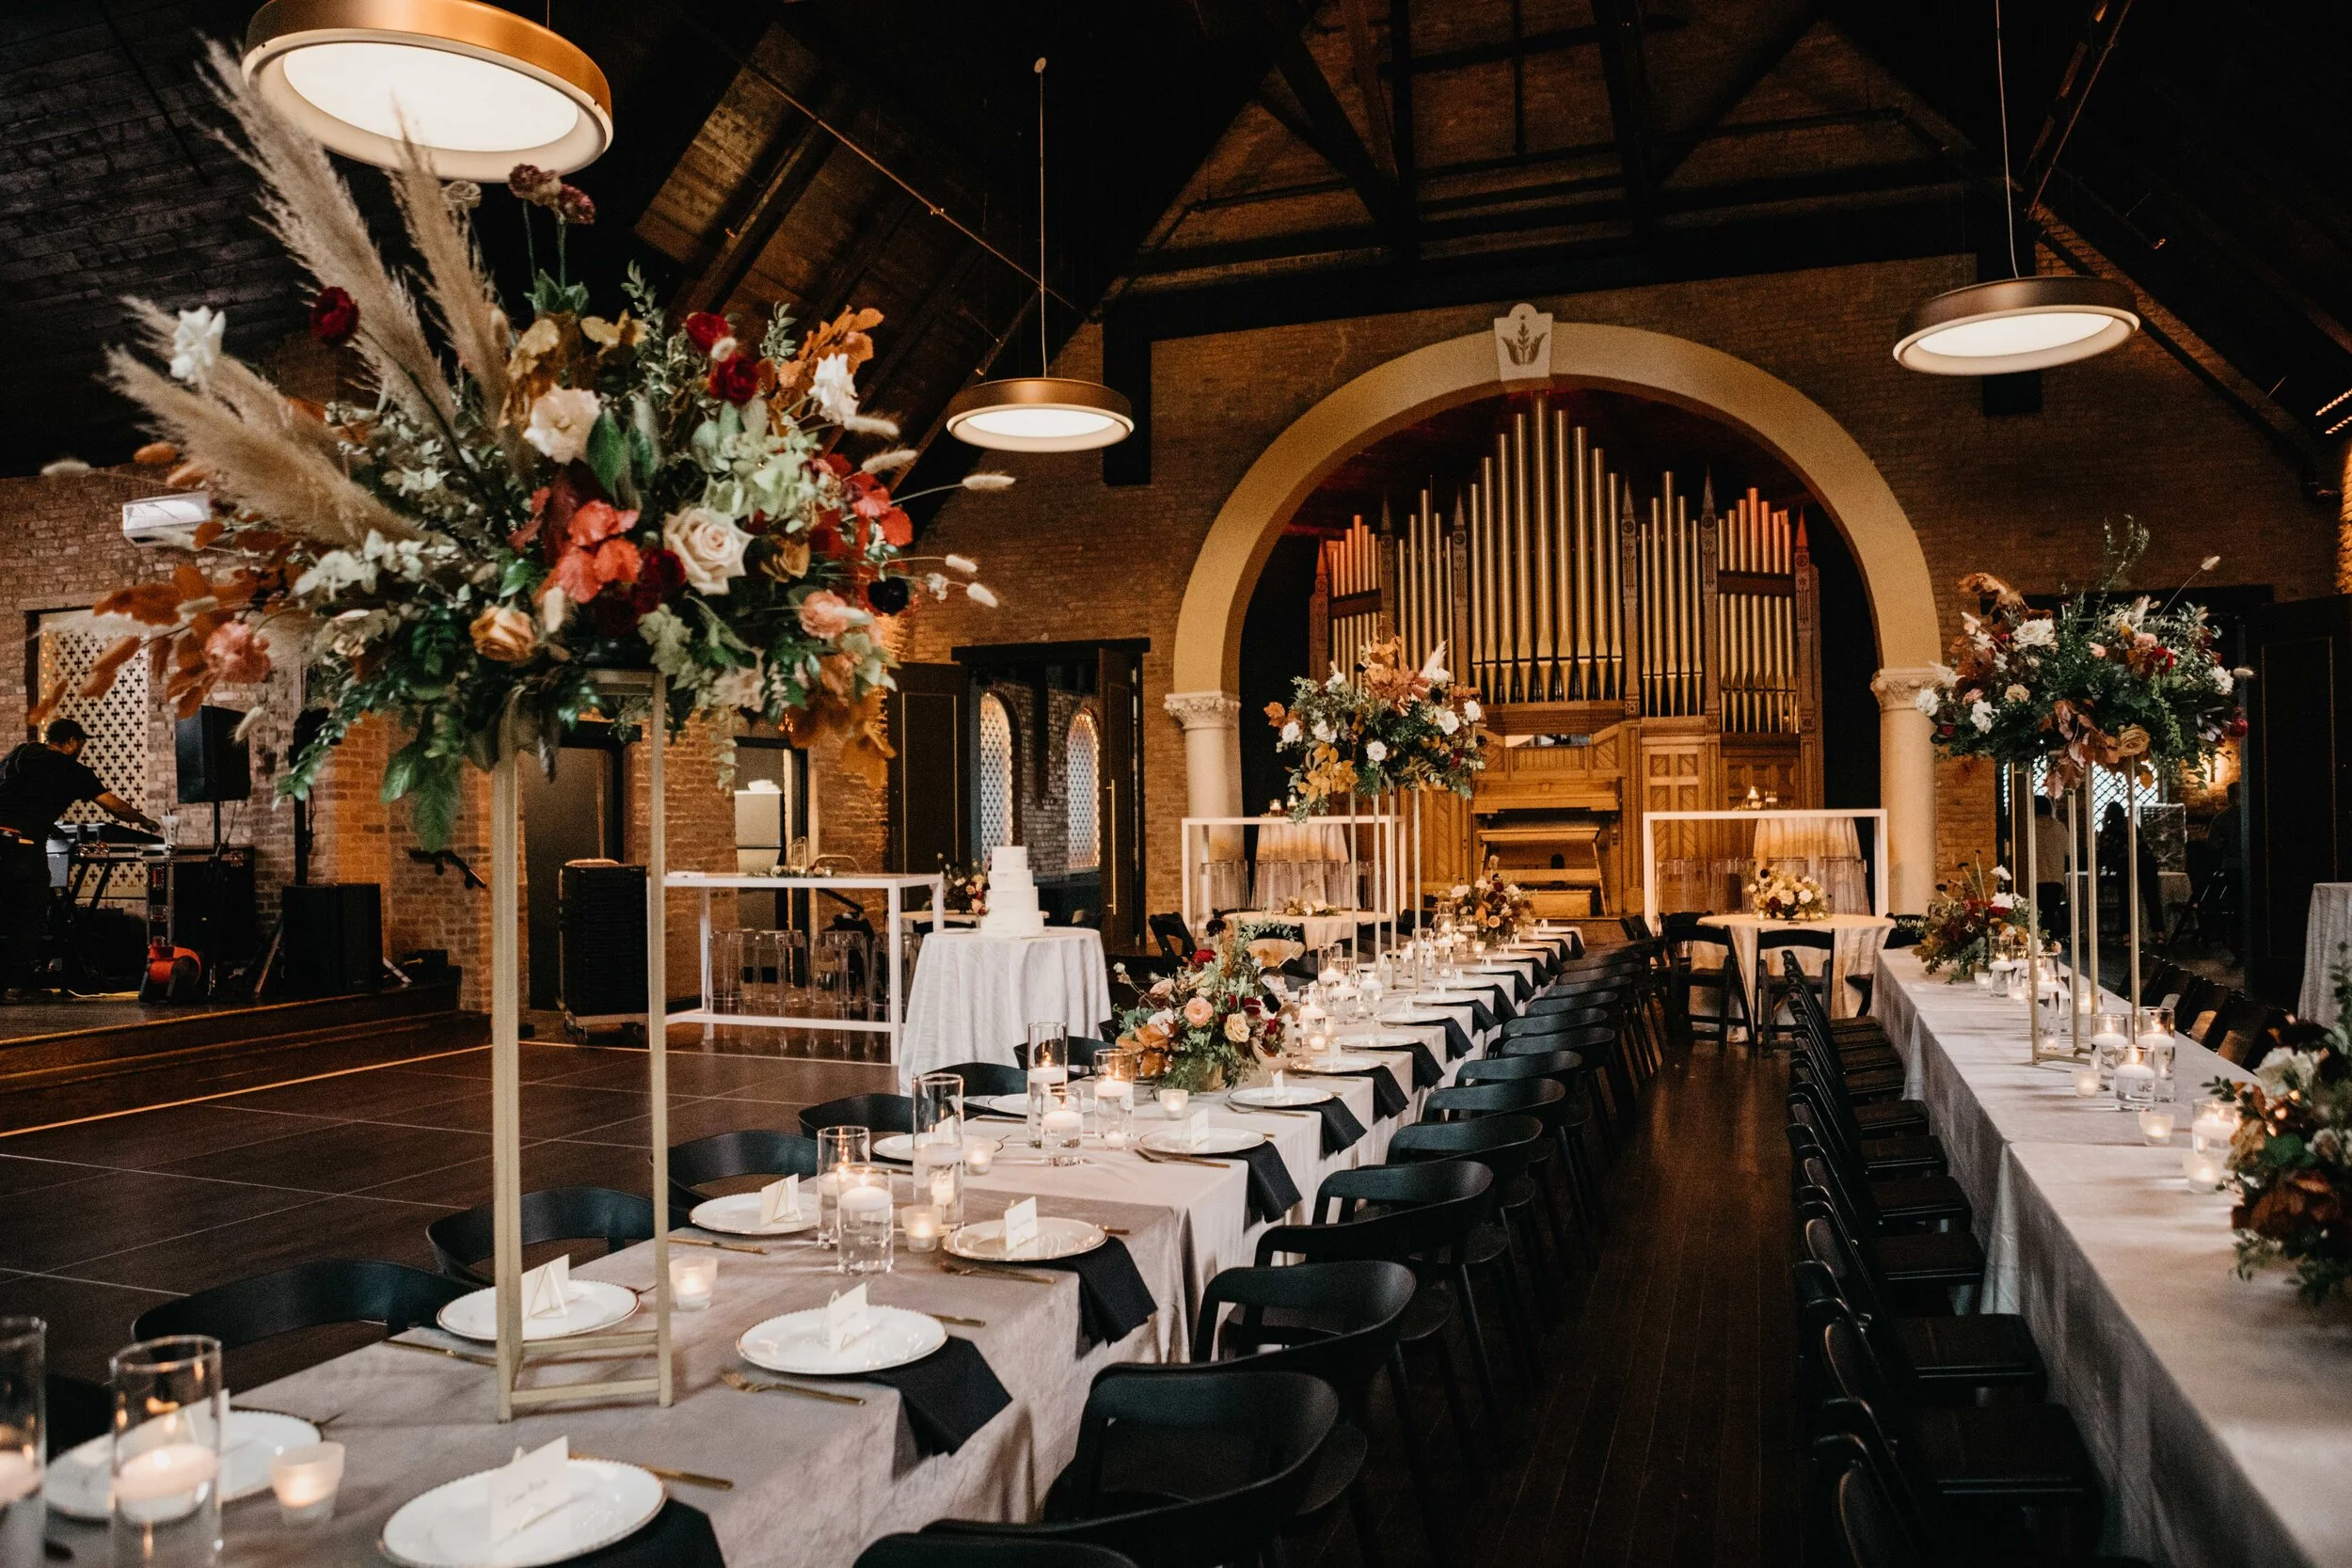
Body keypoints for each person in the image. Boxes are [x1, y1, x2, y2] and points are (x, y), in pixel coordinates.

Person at [0, 720, 158, 996]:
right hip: (22, 847)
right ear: (71, 742)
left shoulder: (18, 756)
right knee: (29, 913)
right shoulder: (70, 769)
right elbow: (113, 805)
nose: (81, 751)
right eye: (81, 745)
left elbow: (21, 799)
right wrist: (143, 821)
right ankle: (16, 982)